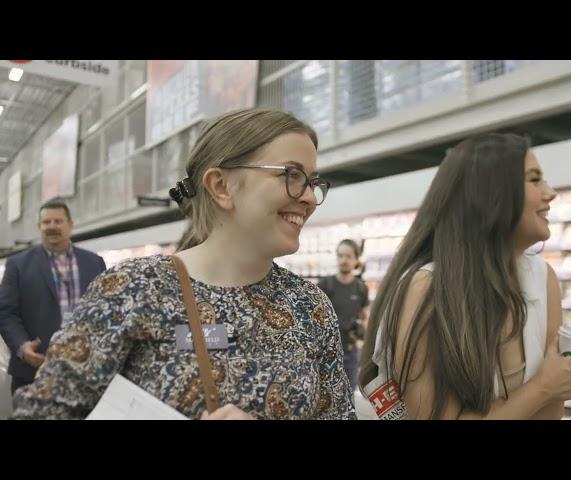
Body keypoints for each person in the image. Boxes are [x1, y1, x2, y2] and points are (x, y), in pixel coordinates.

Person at [12, 108, 355, 420]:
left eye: (311, 181)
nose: (309, 197)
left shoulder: (311, 307)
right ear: (221, 186)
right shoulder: (133, 290)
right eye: (291, 176)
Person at [358, 133, 571, 420]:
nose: (550, 192)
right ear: (492, 193)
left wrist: (569, 380)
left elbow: (549, 415)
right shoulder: (427, 289)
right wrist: (547, 386)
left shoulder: (543, 279)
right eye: (534, 179)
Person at [0, 199, 106, 395]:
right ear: (39, 227)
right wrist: (22, 347)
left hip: (85, 370)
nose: (52, 227)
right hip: (33, 372)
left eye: (58, 221)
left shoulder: (94, 262)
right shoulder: (18, 265)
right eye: (46, 222)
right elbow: (6, 312)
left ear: (70, 225)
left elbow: (106, 309)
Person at [318, 239, 369, 391]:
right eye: (340, 256)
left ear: (356, 260)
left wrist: (362, 335)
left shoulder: (361, 288)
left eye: (348, 256)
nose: (343, 260)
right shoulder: (325, 285)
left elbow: (364, 316)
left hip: (351, 353)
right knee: (324, 395)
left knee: (348, 395)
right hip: (326, 352)